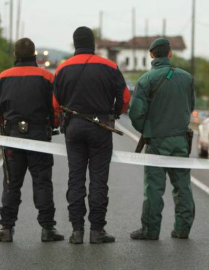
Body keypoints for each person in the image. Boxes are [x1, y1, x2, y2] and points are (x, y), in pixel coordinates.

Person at [53, 26, 130, 244]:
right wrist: (114, 113)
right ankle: (97, 231)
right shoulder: (110, 66)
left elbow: (55, 104)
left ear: (75, 43)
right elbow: (124, 98)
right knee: (98, 180)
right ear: (93, 43)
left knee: (75, 179)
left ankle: (77, 231)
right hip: (101, 127)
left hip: (74, 128)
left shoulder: (62, 68)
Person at [0, 38, 64, 243]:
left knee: (11, 184)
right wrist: (54, 123)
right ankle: (47, 229)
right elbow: (56, 108)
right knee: (42, 183)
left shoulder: (2, 77)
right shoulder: (46, 77)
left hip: (13, 138)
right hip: (39, 137)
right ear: (34, 56)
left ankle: (6, 228)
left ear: (15, 56)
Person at [129, 38, 195, 240]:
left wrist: (148, 130)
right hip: (181, 140)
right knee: (182, 185)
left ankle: (150, 230)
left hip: (157, 141)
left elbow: (135, 114)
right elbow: (190, 106)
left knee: (154, 188)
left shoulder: (146, 80)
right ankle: (182, 229)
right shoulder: (186, 78)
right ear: (170, 54)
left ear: (151, 55)